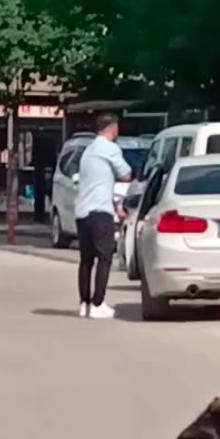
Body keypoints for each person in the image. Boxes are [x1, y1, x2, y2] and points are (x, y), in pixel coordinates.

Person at [74, 112, 132, 319]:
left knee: (86, 260)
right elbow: (126, 174)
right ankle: (98, 303)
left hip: (82, 211)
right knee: (105, 257)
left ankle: (84, 304)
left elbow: (97, 182)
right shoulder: (110, 148)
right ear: (112, 128)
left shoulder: (88, 151)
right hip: (100, 211)